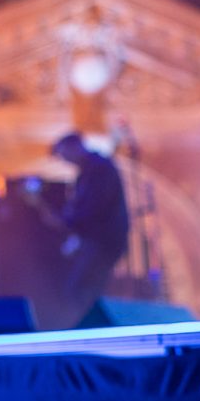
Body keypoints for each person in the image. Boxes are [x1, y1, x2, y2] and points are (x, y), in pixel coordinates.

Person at [48, 131, 132, 323]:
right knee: (86, 287)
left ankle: (94, 327)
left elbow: (93, 209)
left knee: (80, 288)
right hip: (100, 241)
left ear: (74, 147)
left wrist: (69, 221)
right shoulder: (89, 172)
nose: (64, 160)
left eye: (64, 154)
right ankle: (94, 326)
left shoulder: (100, 169)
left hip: (105, 241)